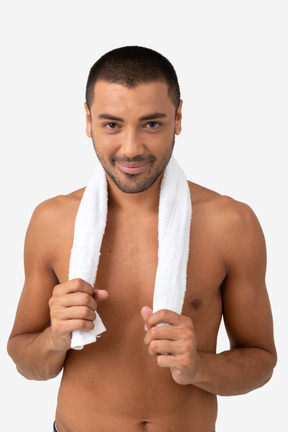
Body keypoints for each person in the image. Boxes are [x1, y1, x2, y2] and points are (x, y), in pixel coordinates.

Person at [7, 46, 277, 432]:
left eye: (152, 124)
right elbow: (25, 361)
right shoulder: (51, 221)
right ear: (87, 120)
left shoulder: (232, 224)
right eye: (112, 125)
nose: (131, 149)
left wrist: (199, 366)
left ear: (178, 117)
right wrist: (55, 338)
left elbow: (262, 362)